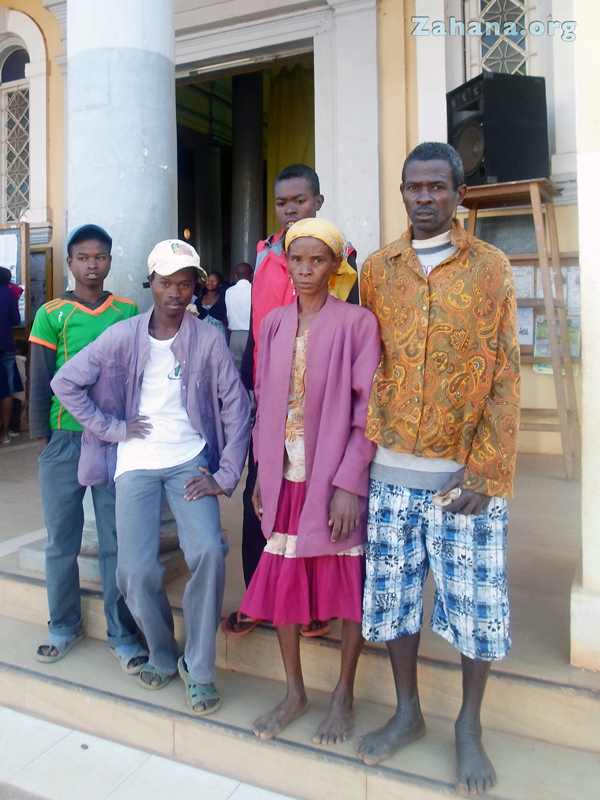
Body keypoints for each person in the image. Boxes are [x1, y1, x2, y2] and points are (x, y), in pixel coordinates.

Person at [358, 142, 520, 796]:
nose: (424, 198)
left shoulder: (490, 268)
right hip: (389, 471)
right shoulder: (376, 268)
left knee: (476, 608)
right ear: (402, 192)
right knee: (394, 602)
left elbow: (507, 371)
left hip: (465, 481)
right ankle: (407, 711)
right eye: (413, 187)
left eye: (437, 188)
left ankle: (469, 725)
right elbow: (363, 364)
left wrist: (484, 472)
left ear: (458, 194)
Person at [51, 239, 251, 715]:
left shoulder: (208, 339)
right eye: (167, 283)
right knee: (134, 571)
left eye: (186, 284)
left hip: (189, 461)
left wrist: (224, 475)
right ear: (151, 285)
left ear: (195, 287)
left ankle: (199, 668)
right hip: (136, 463)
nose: (177, 293)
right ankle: (163, 654)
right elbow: (65, 382)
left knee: (207, 550)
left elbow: (236, 408)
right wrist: (111, 429)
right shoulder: (123, 336)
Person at [239, 218, 380, 743]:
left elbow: (369, 413)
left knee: (346, 587)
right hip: (284, 478)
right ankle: (295, 691)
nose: (304, 270)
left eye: (316, 260)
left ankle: (343, 692)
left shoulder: (357, 323)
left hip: (333, 478)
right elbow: (263, 403)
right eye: (296, 259)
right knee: (283, 584)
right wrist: (261, 474)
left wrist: (349, 483)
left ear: (335, 264)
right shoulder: (275, 323)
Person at [223, 163, 359, 637]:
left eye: (299, 201)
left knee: (313, 503)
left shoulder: (341, 258)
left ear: (317, 202)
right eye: (282, 203)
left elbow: (348, 333)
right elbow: (261, 327)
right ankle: (257, 597)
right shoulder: (265, 256)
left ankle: (314, 606)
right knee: (260, 499)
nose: (289, 210)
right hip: (270, 390)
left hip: (320, 402)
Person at [28, 224, 146, 671]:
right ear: (70, 263)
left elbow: (138, 374)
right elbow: (41, 379)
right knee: (62, 540)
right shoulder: (52, 314)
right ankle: (63, 624)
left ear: (110, 261)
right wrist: (42, 436)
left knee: (118, 540)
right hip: (63, 440)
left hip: (114, 440)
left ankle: (123, 634)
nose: (91, 265)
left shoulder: (128, 310)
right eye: (83, 258)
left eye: (100, 257)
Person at [0, 266, 23, 444]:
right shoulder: (9, 294)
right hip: (5, 346)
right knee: (6, 391)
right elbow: (16, 320)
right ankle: (5, 434)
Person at [225, 262, 253, 373]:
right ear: (252, 274)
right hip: (251, 335)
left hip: (235, 336)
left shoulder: (229, 292)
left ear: (236, 276)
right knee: (251, 370)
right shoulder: (254, 290)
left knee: (235, 371)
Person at [195, 270, 228, 339]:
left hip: (219, 335)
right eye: (208, 280)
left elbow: (227, 319)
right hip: (202, 335)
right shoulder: (198, 301)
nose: (210, 283)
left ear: (220, 285)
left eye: (214, 281)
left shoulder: (224, 300)